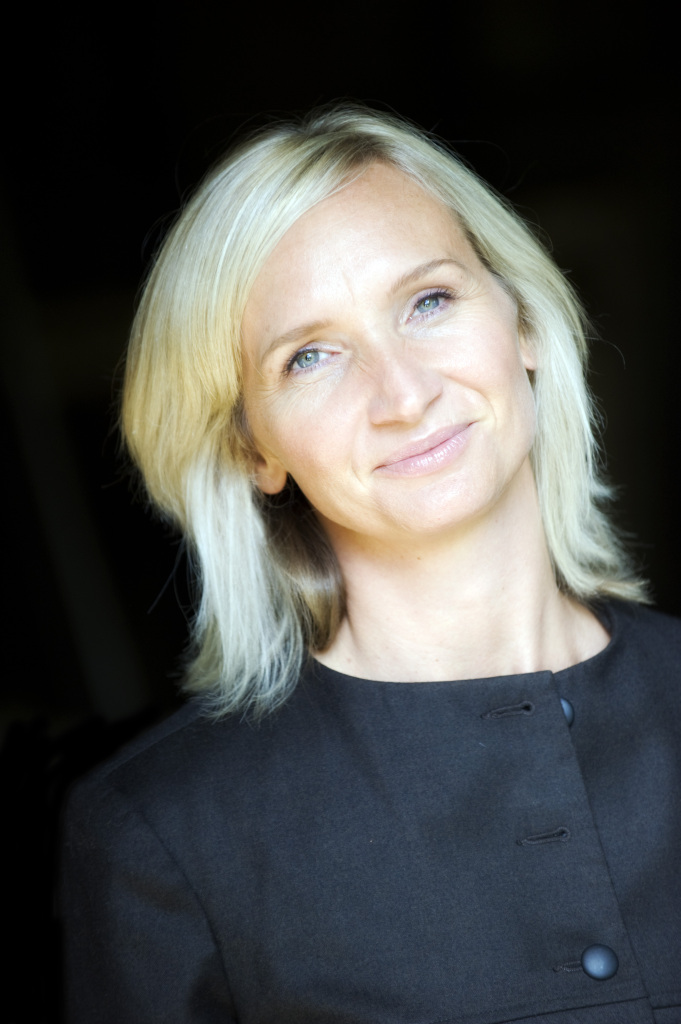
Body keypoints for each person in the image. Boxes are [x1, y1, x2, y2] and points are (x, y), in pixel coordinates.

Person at [62, 105, 681, 1023]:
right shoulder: (164, 840)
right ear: (252, 449)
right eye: (310, 357)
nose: (403, 395)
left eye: (428, 302)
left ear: (522, 323)